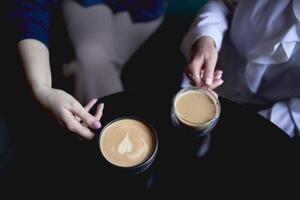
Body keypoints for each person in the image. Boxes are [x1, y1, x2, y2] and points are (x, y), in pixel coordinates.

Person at [6, 0, 166, 140]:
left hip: (144, 10)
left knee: (95, 67)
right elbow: (31, 7)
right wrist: (41, 87)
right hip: (86, 2)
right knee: (90, 59)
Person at [181, 0, 300, 137]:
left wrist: (246, 127)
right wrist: (206, 38)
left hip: (267, 115)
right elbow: (224, 4)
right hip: (212, 64)